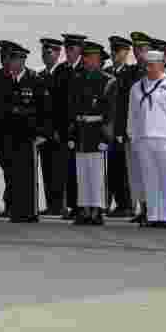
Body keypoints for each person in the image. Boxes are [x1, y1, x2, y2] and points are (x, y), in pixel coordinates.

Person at [0, 44, 51, 223]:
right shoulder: (1, 77)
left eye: (16, 60)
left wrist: (42, 133)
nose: (12, 63)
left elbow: (44, 109)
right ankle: (15, 210)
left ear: (23, 61)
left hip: (27, 135)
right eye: (11, 60)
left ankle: (30, 211)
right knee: (12, 173)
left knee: (28, 175)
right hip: (6, 134)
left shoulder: (34, 79)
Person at [128, 50, 166, 228]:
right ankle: (153, 215)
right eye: (146, 65)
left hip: (165, 139)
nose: (149, 68)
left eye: (152, 65)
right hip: (144, 138)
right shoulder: (137, 87)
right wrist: (133, 137)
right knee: (150, 178)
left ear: (162, 65)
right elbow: (132, 115)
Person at [66, 42, 119, 226]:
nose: (87, 60)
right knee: (82, 174)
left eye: (91, 57)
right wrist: (72, 135)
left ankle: (96, 210)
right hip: (81, 132)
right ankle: (84, 209)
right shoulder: (77, 79)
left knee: (97, 175)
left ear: (98, 59)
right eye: (85, 57)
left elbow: (111, 113)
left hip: (97, 132)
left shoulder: (108, 81)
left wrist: (106, 137)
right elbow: (72, 110)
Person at [53, 33, 86, 220]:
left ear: (80, 50)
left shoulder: (85, 69)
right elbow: (56, 102)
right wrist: (56, 128)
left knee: (84, 169)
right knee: (68, 170)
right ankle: (73, 205)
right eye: (67, 49)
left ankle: (85, 206)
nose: (68, 52)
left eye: (72, 49)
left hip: (83, 130)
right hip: (65, 129)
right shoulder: (61, 71)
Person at [104, 36, 134, 217]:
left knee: (123, 169)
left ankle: (126, 204)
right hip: (107, 128)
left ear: (125, 53)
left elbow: (128, 105)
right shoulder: (106, 72)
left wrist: (124, 130)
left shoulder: (130, 74)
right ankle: (108, 202)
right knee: (110, 169)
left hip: (122, 128)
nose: (115, 54)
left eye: (119, 51)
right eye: (113, 50)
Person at [125, 32, 153, 223]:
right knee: (135, 173)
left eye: (142, 49)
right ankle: (142, 207)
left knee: (150, 173)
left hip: (151, 133)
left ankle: (152, 209)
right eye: (135, 49)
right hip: (133, 131)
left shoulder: (156, 72)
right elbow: (121, 104)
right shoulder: (129, 73)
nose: (138, 53)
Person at [0, 41, 19, 218]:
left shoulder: (20, 75)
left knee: (16, 170)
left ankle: (15, 204)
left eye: (6, 56)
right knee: (7, 169)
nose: (3, 60)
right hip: (1, 132)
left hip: (16, 131)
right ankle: (10, 204)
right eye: (1, 57)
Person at [37, 38, 67, 216]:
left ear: (57, 54)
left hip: (58, 132)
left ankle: (61, 204)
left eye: (49, 53)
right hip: (44, 132)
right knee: (47, 169)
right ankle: (51, 204)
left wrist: (59, 130)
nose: (46, 56)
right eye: (43, 53)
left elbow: (64, 106)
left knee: (59, 171)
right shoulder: (40, 76)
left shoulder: (64, 74)